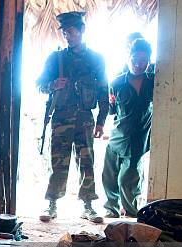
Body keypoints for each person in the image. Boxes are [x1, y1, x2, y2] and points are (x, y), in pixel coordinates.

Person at [36, 11, 109, 223]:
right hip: (61, 118)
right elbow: (39, 85)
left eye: (70, 30)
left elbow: (104, 91)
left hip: (85, 118)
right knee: (59, 162)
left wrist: (102, 120)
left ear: (81, 30)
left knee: (86, 161)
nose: (67, 35)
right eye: (64, 31)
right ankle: (52, 203)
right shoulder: (56, 58)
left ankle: (88, 205)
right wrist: (52, 85)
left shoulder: (96, 59)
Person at [102, 39, 154, 218]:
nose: (138, 64)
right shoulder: (116, 83)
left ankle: (132, 213)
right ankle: (111, 210)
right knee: (109, 177)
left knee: (128, 179)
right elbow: (111, 110)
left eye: (143, 60)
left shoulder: (154, 82)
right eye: (134, 59)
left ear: (149, 61)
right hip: (118, 137)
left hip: (139, 139)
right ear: (128, 58)